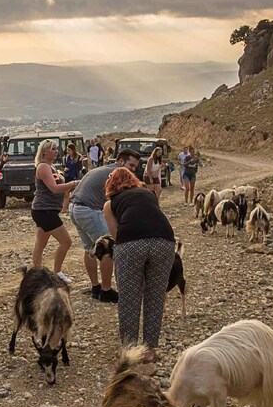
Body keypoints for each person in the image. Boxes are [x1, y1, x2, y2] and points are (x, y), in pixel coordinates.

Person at [103, 167, 175, 357]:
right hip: (164, 241)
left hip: (130, 244)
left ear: (111, 184)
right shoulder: (148, 194)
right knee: (155, 296)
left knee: (129, 299)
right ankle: (150, 349)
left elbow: (116, 235)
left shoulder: (110, 204)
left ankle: (130, 349)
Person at [68, 149, 140, 303]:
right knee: (107, 247)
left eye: (135, 167)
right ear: (120, 162)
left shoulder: (102, 169)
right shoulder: (117, 174)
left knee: (90, 248)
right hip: (89, 209)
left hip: (74, 208)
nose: (133, 169)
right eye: (131, 165)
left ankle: (96, 287)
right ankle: (106, 291)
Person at [31, 139, 79, 283]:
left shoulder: (52, 167)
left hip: (48, 210)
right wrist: (73, 183)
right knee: (66, 242)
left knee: (40, 244)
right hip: (44, 210)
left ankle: (37, 274)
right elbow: (53, 188)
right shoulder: (43, 167)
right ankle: (57, 272)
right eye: (53, 149)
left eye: (56, 149)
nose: (56, 151)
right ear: (45, 151)